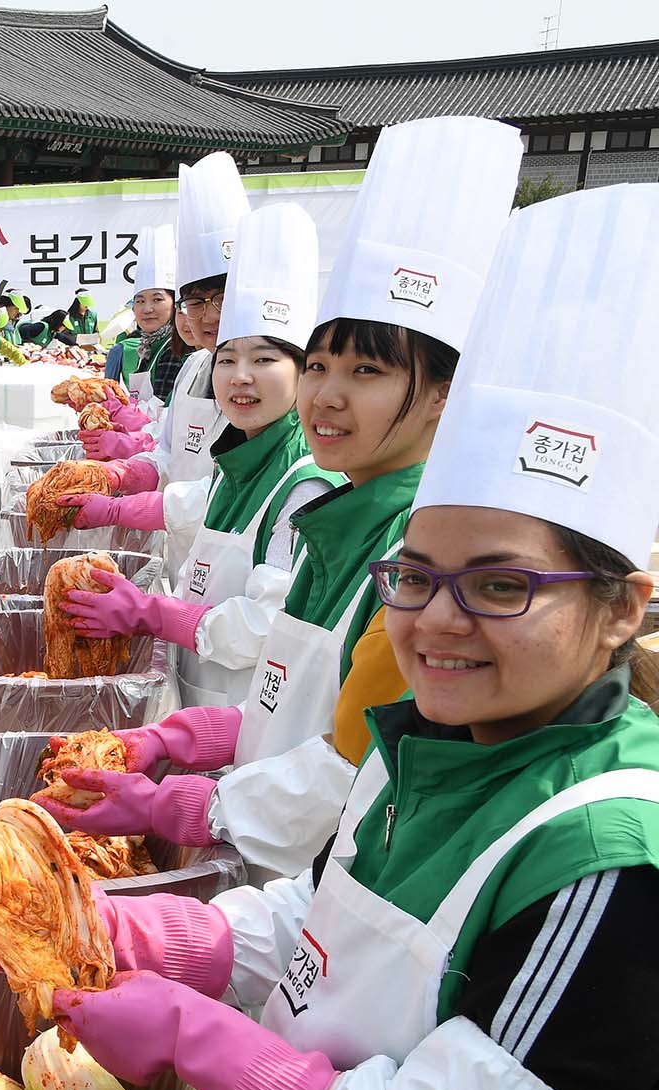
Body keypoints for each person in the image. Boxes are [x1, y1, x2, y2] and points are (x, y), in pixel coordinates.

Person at [35, 184, 659, 1090]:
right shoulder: (431, 736)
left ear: (621, 608)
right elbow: (328, 930)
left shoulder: (606, 860)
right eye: (413, 574)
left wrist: (200, 1038)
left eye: (502, 583)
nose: (436, 618)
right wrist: (177, 941)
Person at [41, 118, 524, 880]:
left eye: (366, 374)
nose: (327, 396)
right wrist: (180, 739)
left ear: (442, 393)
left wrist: (185, 802)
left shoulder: (412, 557)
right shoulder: (342, 511)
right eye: (323, 367)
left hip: (307, 867)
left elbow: (352, 768)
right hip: (260, 843)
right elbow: (294, 707)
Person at [53, 204, 342, 710]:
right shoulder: (241, 449)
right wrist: (118, 480)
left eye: (265, 360)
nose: (239, 376)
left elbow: (267, 623)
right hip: (198, 671)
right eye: (227, 360)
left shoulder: (307, 482)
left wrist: (155, 613)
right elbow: (194, 495)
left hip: (243, 707)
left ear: (307, 373)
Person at [79, 153, 252, 582]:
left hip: (238, 570)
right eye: (195, 301)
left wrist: (120, 505)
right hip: (184, 561)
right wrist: (124, 471)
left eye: (222, 297)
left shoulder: (282, 393)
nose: (208, 316)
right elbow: (169, 452)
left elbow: (226, 496)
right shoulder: (195, 367)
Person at [104, 228, 180, 398]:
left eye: (157, 299)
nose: (147, 309)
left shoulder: (175, 348)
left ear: (174, 303)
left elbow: (162, 411)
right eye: (140, 301)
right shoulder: (146, 346)